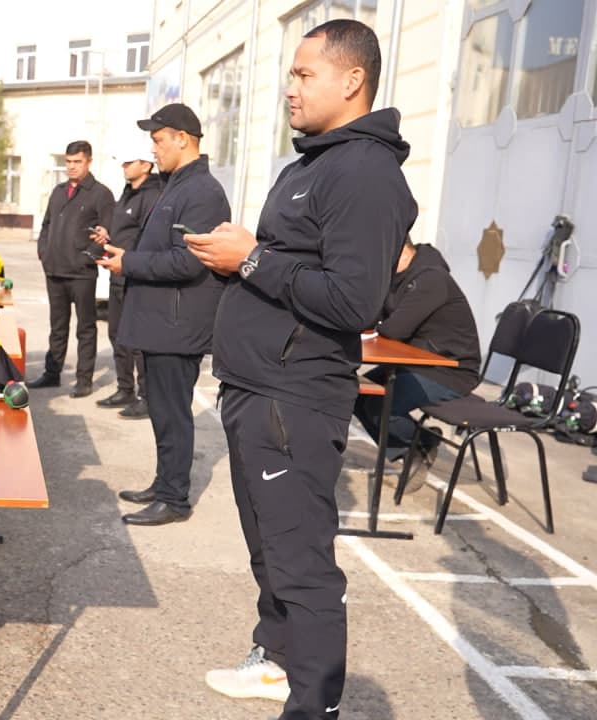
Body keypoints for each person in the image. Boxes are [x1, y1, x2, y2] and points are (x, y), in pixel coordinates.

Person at [185, 20, 416, 719]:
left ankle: (314, 705)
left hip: (295, 396)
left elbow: (354, 300)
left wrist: (249, 258)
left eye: (305, 74)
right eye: (290, 73)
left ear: (352, 81)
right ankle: (276, 658)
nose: (290, 87)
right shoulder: (311, 163)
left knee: (301, 563)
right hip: (255, 387)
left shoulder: (365, 172)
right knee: (267, 547)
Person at [95, 105, 231, 526]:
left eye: (157, 139)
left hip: (178, 326)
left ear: (183, 139)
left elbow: (189, 262)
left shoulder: (203, 192)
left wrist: (129, 264)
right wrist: (127, 255)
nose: (152, 148)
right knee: (161, 410)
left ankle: (175, 498)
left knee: (173, 412)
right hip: (161, 324)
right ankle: (164, 482)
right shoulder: (177, 186)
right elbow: (162, 251)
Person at [355, 237, 481, 464]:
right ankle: (413, 450)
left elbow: (394, 329)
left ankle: (421, 443)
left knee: (379, 407)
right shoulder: (394, 278)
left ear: (401, 250)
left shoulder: (431, 279)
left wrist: (379, 326)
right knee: (354, 394)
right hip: (415, 363)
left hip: (450, 371)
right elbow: (371, 318)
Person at [27, 140, 116, 398]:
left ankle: (84, 379)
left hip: (82, 273)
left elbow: (108, 233)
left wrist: (89, 256)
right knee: (57, 326)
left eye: (77, 162)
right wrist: (44, 252)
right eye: (68, 162)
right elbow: (46, 225)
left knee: (86, 327)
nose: (71, 167)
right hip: (54, 270)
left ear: (88, 161)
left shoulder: (101, 194)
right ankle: (52, 373)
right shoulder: (58, 191)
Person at [91, 139, 160, 418]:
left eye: (129, 162)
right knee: (117, 334)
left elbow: (149, 239)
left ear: (145, 165)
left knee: (139, 341)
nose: (124, 166)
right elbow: (126, 230)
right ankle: (125, 389)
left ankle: (147, 396)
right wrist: (107, 236)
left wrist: (130, 259)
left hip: (137, 277)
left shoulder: (153, 195)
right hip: (118, 276)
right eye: (123, 162)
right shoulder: (127, 193)